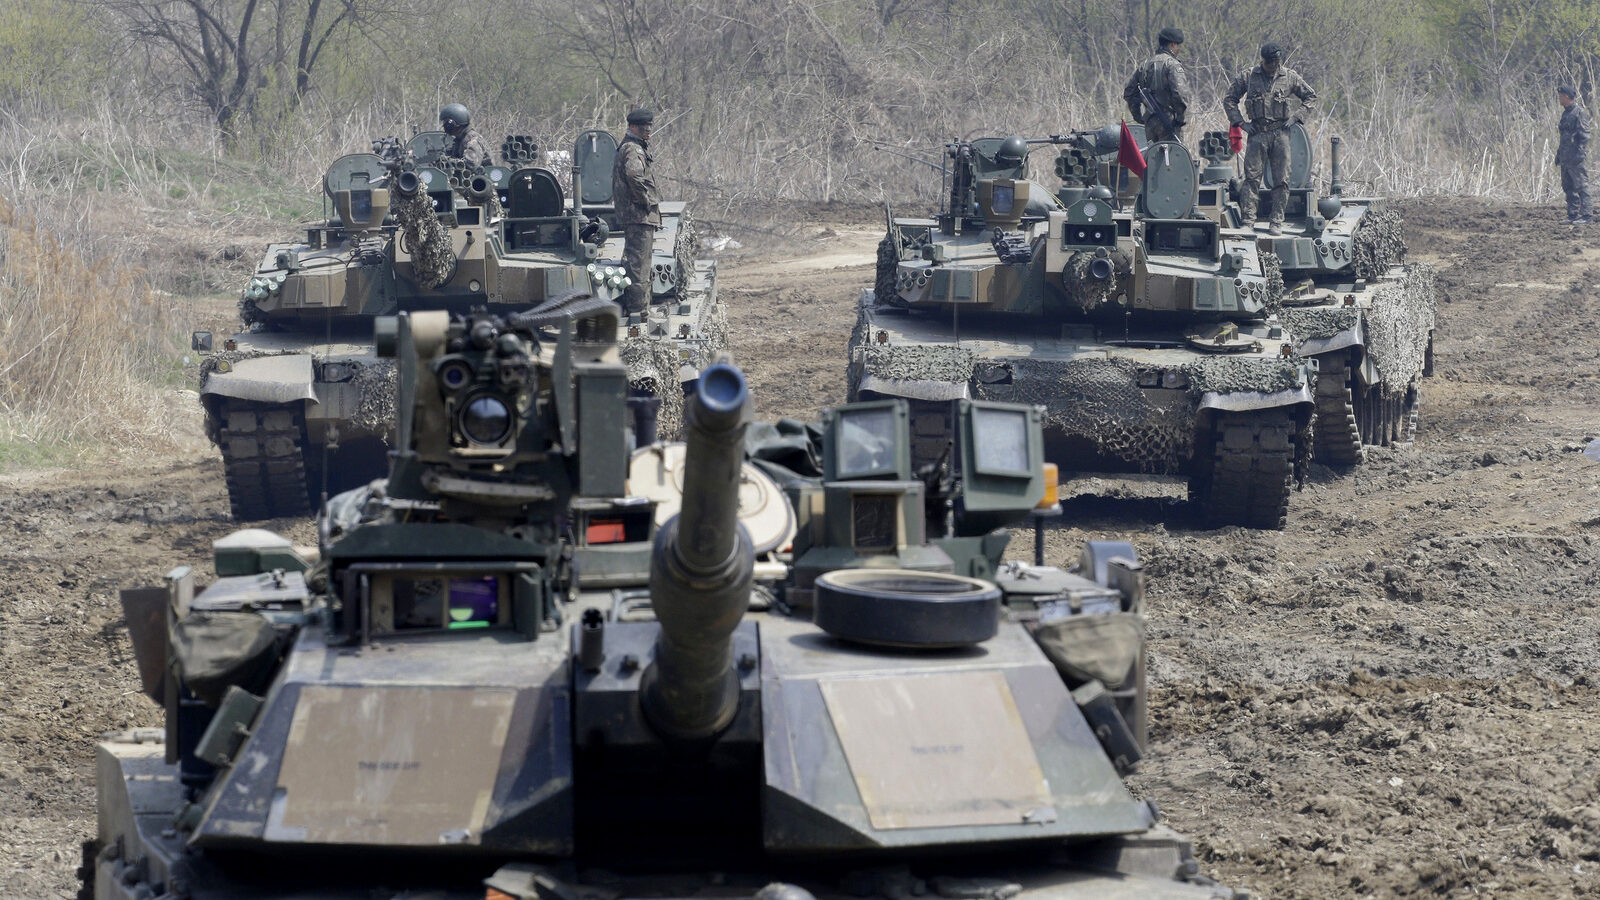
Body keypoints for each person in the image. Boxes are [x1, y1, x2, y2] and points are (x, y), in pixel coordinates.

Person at [1223, 43, 1317, 235]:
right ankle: (1248, 221)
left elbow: (1310, 97)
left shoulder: (1289, 76)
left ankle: (1276, 221)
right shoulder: (1249, 76)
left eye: (1277, 62)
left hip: (1280, 133)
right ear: (1263, 60)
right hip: (1257, 133)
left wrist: (1297, 117)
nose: (1274, 66)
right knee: (1251, 179)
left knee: (1282, 180)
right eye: (1270, 62)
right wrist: (1240, 122)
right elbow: (1230, 99)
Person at [612, 108, 661, 315]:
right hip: (638, 215)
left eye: (650, 126)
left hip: (635, 215)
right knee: (639, 265)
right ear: (633, 127)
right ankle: (639, 310)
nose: (648, 130)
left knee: (637, 262)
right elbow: (634, 176)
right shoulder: (633, 149)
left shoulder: (631, 146)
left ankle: (638, 307)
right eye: (644, 127)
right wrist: (647, 201)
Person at [1124, 26, 1193, 145]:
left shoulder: (1144, 65)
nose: (1179, 49)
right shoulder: (1172, 65)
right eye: (1178, 45)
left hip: (1150, 124)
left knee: (1153, 158)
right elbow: (1180, 95)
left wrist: (1139, 117)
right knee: (1173, 158)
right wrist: (1180, 119)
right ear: (1172, 45)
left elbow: (1129, 93)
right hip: (1169, 123)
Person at [1557, 85, 1592, 225]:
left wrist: (1580, 153)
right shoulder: (1565, 113)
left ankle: (1587, 215)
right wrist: (1559, 154)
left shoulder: (1579, 113)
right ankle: (1572, 215)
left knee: (1582, 186)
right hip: (1566, 157)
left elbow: (1584, 136)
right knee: (1568, 187)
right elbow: (1564, 136)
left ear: (1566, 96)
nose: (1559, 98)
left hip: (1575, 157)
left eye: (1560, 95)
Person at [439, 102, 492, 168]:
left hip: (481, 177)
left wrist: (449, 161)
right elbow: (453, 155)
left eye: (446, 122)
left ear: (453, 124)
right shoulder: (459, 139)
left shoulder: (472, 139)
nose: (444, 126)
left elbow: (471, 163)